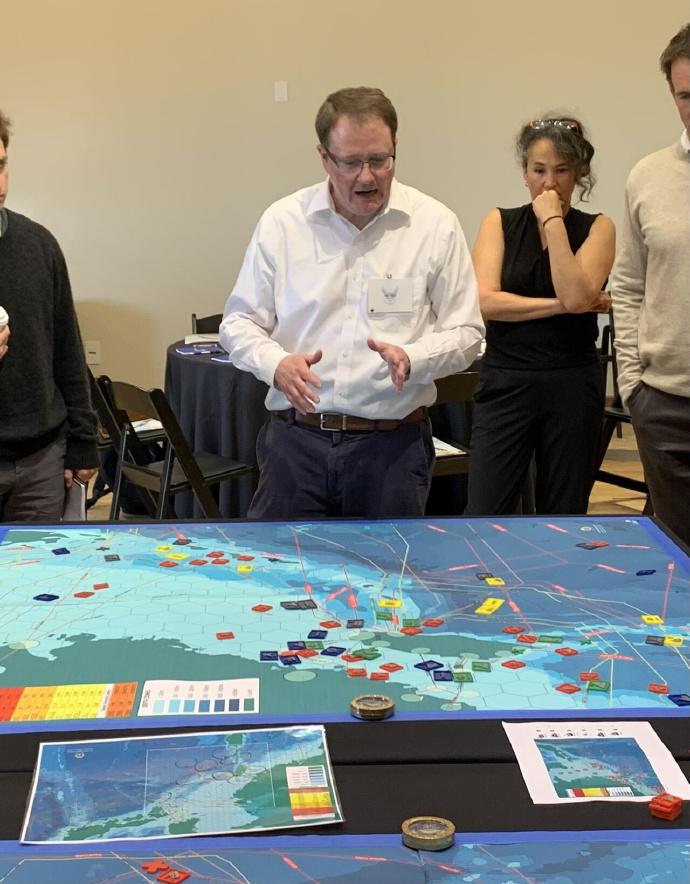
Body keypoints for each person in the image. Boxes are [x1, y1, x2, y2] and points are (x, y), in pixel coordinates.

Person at [221, 86, 484, 520]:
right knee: (281, 562)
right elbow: (238, 322)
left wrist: (415, 357)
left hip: (392, 449)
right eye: (350, 162)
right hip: (295, 445)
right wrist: (276, 364)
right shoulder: (283, 223)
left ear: (395, 149)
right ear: (324, 157)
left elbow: (467, 332)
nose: (366, 177)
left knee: (389, 566)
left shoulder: (434, 225)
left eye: (379, 160)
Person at [465, 115, 615, 516]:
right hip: (506, 379)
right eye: (539, 170)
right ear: (524, 173)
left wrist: (552, 221)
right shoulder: (499, 221)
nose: (550, 184)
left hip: (571, 381)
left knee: (563, 511)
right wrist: (562, 306)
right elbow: (486, 303)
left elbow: (576, 293)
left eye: (562, 171)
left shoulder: (599, 228)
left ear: (578, 174)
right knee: (484, 508)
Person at [611, 24, 690, 546]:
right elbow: (627, 285)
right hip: (665, 406)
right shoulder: (648, 176)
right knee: (677, 559)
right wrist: (632, 386)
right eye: (685, 96)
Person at [0, 110, 98, 521]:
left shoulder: (39, 245)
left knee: (42, 565)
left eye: (1, 165)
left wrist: (83, 441)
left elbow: (68, 352)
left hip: (42, 460)